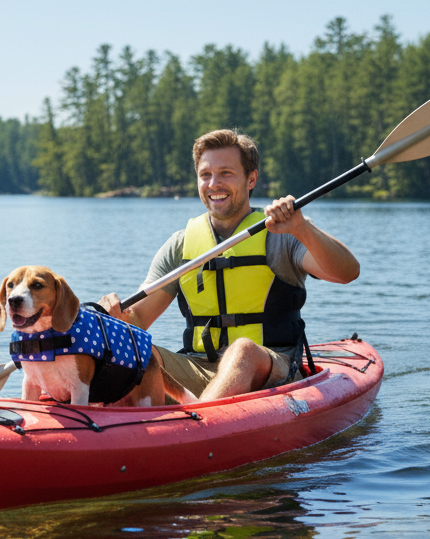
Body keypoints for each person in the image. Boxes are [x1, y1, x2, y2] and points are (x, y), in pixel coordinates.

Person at [100, 129, 359, 401]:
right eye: (205, 175)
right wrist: (116, 319)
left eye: (226, 173)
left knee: (242, 351)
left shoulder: (282, 234)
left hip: (272, 367)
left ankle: (200, 426)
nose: (214, 184)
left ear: (251, 179)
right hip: (197, 365)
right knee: (135, 350)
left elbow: (346, 273)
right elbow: (139, 318)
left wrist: (302, 228)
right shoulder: (180, 245)